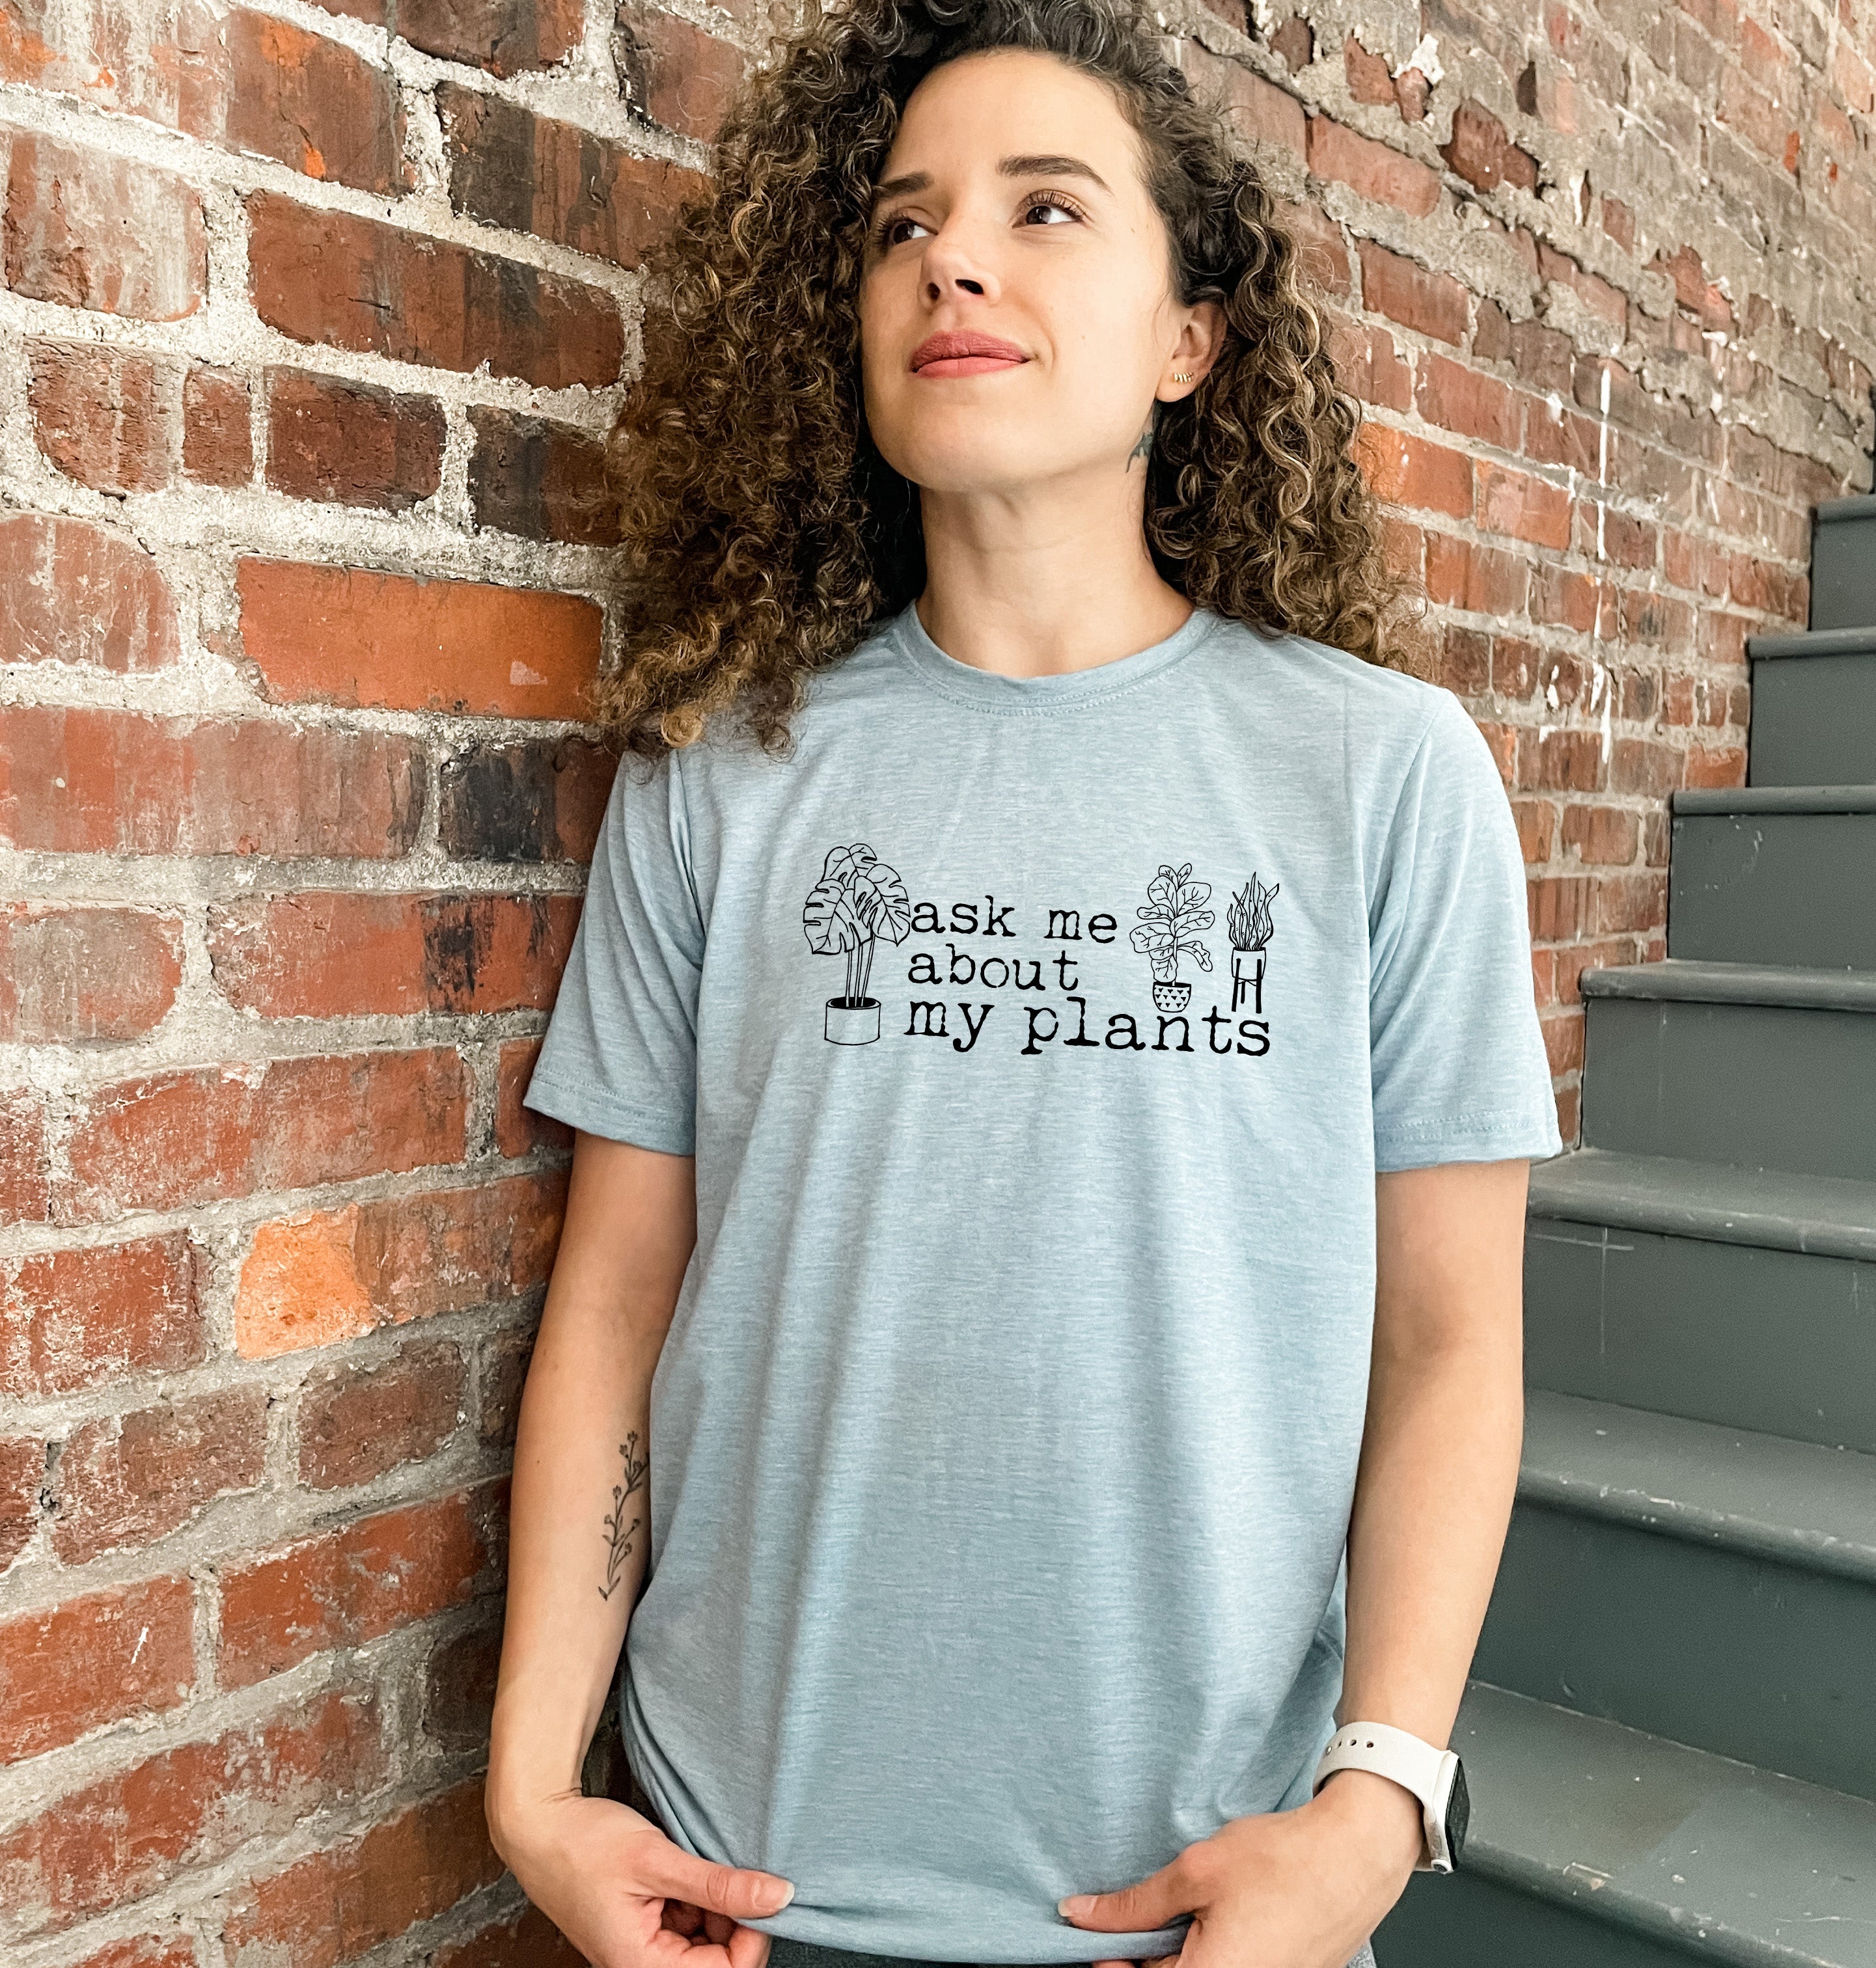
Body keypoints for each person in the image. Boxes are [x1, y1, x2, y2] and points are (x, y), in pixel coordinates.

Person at [483, 0, 1564, 1965]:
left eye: (1046, 209)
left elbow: (1447, 1344)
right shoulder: (721, 775)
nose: (954, 258)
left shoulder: (1384, 775)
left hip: (1197, 1909)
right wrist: (538, 1786)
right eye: (903, 225)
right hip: (741, 1897)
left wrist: (1380, 1805)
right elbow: (621, 1296)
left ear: (1187, 341)